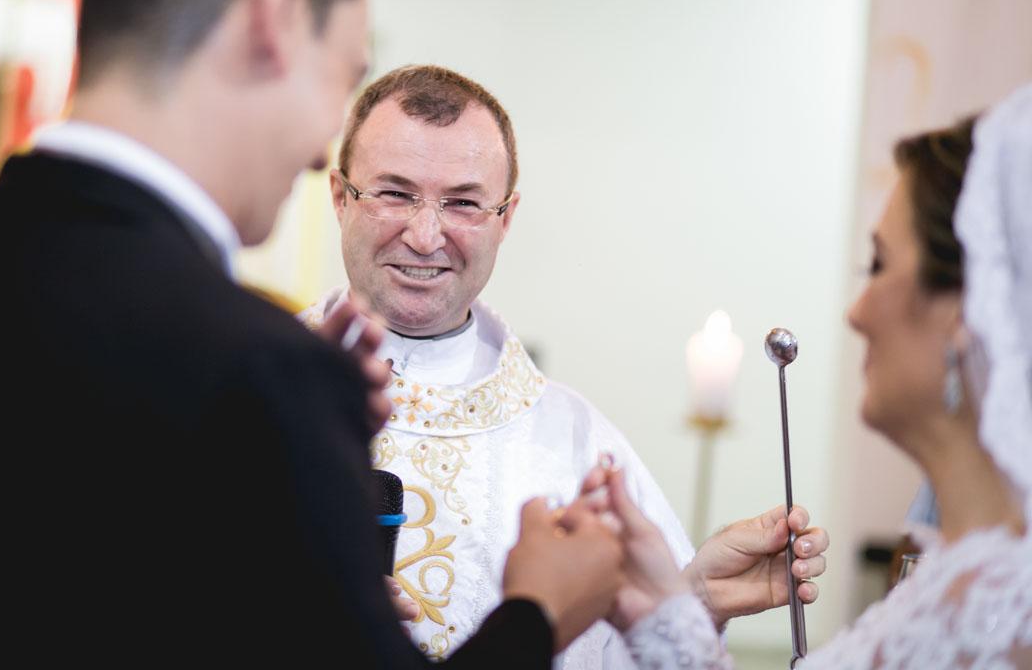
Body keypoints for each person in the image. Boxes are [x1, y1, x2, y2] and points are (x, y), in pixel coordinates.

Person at [0, 0, 626, 668]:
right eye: (341, 75)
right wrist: (537, 613)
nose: (323, 146)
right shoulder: (256, 371)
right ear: (277, 16)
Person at [301, 65, 830, 666]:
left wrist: (692, 599)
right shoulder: (244, 392)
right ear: (341, 196)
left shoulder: (575, 441)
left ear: (506, 217)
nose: (425, 236)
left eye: (464, 203)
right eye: (395, 193)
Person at [602, 83, 1032, 667]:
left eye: (878, 265)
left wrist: (669, 621)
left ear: (965, 310)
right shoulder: (954, 586)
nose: (857, 312)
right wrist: (692, 603)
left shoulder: (1000, 608)